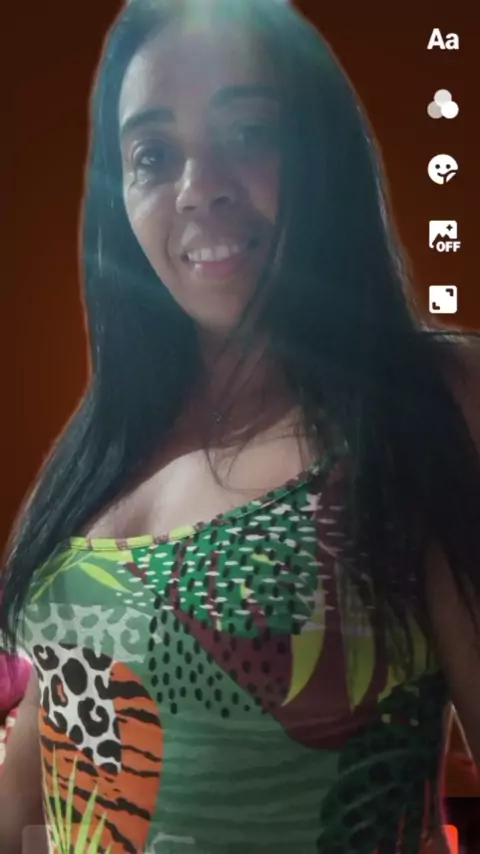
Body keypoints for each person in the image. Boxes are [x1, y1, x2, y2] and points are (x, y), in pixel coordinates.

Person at [1, 0, 479, 852]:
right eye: (154, 155)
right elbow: (35, 799)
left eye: (249, 133)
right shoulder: (102, 447)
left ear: (321, 153)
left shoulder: (428, 401)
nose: (201, 186)